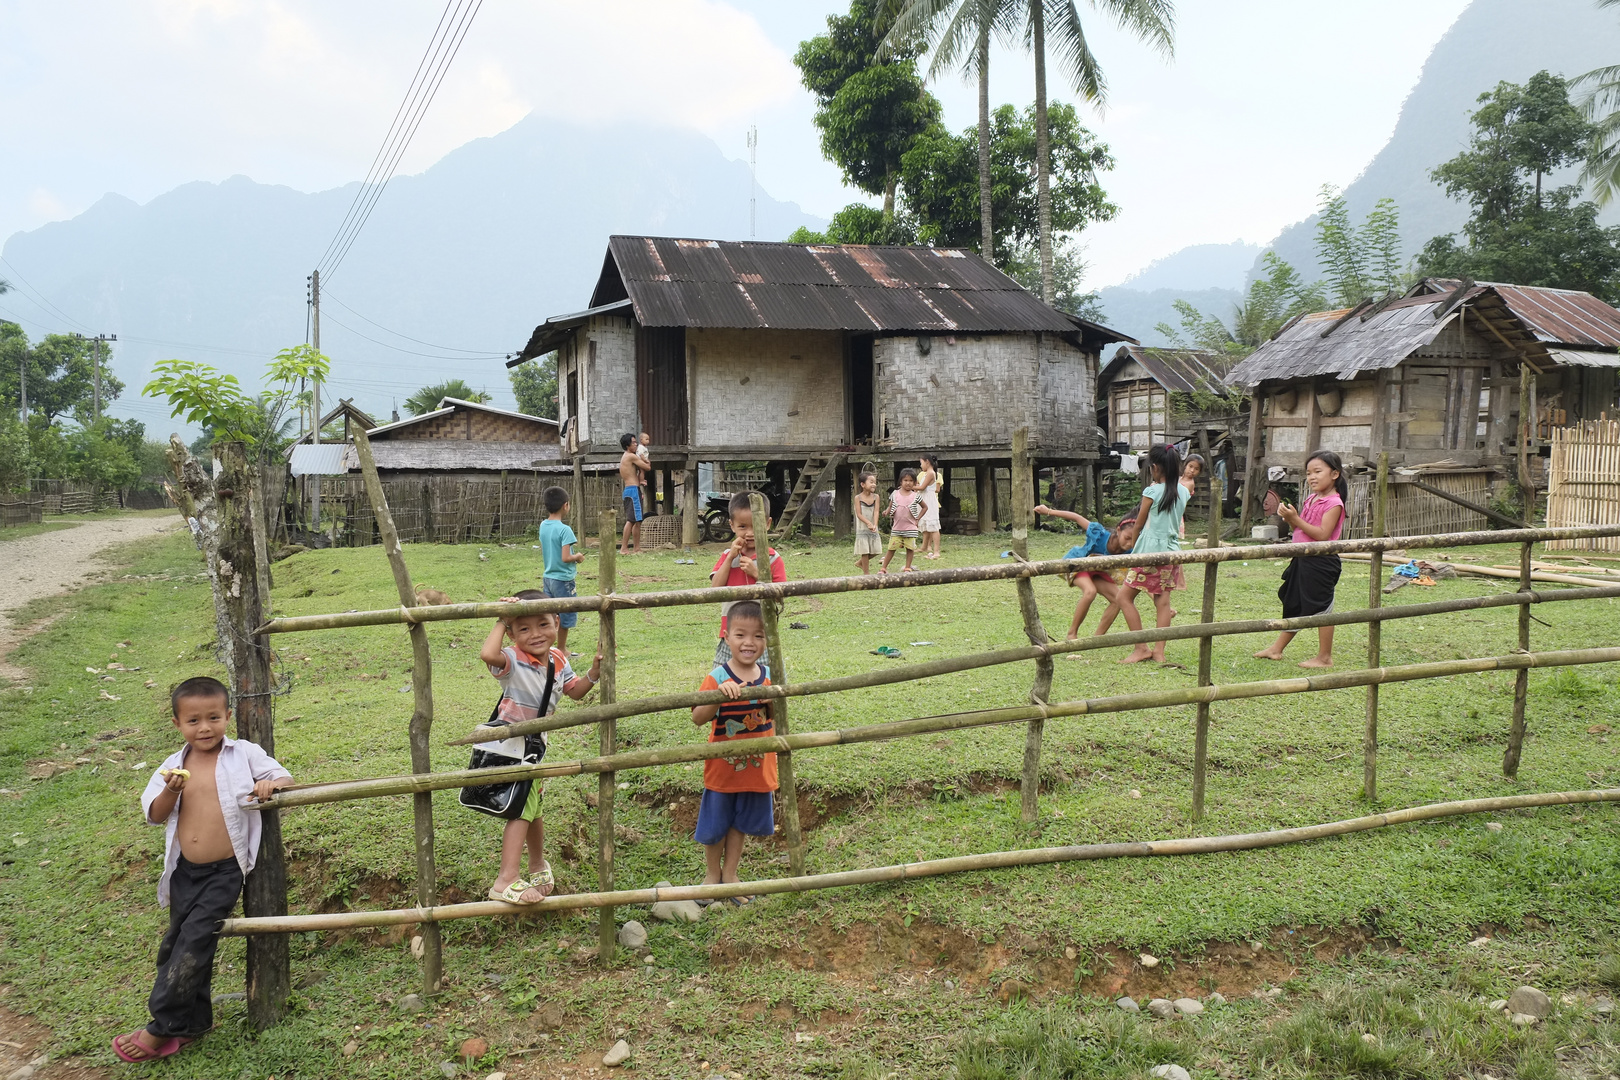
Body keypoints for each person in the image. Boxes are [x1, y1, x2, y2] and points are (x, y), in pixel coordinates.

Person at [115, 677, 293, 1063]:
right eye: (193, 720)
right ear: (178, 724)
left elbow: (283, 776)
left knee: (194, 942)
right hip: (183, 873)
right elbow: (155, 815)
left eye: (214, 717)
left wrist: (270, 786)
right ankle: (192, 1024)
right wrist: (172, 790)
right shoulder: (172, 767)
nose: (205, 727)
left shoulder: (243, 753)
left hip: (225, 872)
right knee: (174, 947)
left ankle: (160, 1028)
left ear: (228, 716)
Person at [479, 590, 602, 904]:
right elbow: (487, 655)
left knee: (534, 806)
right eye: (523, 628)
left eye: (543, 624)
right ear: (511, 633)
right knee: (521, 808)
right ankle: (505, 879)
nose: (535, 634)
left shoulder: (559, 658)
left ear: (556, 621)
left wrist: (594, 674)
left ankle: (536, 863)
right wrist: (501, 619)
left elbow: (573, 691)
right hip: (511, 745)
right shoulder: (512, 659)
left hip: (536, 747)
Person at [690, 600, 776, 904]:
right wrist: (717, 697)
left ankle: (731, 874)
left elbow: (777, 715)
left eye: (758, 636)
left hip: (756, 767)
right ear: (727, 637)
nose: (749, 643)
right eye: (741, 635)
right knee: (716, 824)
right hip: (723, 769)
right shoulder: (718, 677)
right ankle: (712, 876)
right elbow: (698, 717)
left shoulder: (769, 676)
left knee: (741, 823)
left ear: (768, 640)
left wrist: (770, 697)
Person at [1254, 450, 1347, 668]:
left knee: (1322, 608)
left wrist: (1295, 518)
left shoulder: (1334, 503)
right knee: (1295, 603)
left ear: (1334, 474)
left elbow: (1323, 534)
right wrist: (1290, 519)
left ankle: (1325, 657)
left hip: (1321, 562)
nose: (1312, 477)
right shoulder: (1312, 499)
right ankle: (1276, 649)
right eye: (1309, 473)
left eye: (1318, 471)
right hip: (1302, 558)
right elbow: (1301, 529)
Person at [1107, 443, 1190, 664]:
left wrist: (1134, 552)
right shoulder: (1184, 491)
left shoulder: (1151, 492)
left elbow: (1138, 525)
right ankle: (1159, 652)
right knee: (1162, 602)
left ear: (1155, 468)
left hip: (1149, 552)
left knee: (1124, 597)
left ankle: (1141, 647)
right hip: (1172, 552)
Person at [1033, 504, 1138, 639]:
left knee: (1119, 599)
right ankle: (1072, 633)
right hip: (1078, 564)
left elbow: (1142, 575)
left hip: (1097, 571)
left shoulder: (1131, 551)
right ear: (1118, 530)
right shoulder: (1100, 534)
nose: (1129, 543)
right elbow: (1077, 517)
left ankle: (1097, 638)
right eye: (1127, 538)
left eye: (1134, 540)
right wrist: (1048, 511)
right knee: (1090, 592)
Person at [709, 491, 785, 666]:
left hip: (763, 633)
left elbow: (780, 596)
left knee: (768, 679)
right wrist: (729, 559)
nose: (749, 533)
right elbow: (715, 589)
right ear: (732, 525)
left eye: (755, 526)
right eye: (742, 527)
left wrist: (758, 574)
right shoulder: (728, 556)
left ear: (767, 524)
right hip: (731, 633)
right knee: (724, 678)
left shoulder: (773, 558)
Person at [538, 486, 586, 654]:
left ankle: (549, 649)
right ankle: (562, 649)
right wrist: (578, 556)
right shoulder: (565, 530)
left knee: (551, 614)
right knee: (565, 615)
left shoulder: (543, 525)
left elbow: (546, 550)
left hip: (548, 577)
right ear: (566, 505)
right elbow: (566, 557)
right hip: (563, 579)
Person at [880, 468, 923, 574]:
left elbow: (925, 507)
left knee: (910, 548)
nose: (908, 483)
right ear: (901, 481)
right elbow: (891, 506)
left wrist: (918, 518)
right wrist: (886, 511)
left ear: (915, 483)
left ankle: (907, 567)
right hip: (897, 527)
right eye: (905, 480)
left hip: (910, 527)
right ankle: (883, 568)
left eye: (911, 481)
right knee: (891, 548)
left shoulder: (915, 496)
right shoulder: (895, 494)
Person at [618, 433, 652, 555]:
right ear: (628, 445)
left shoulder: (625, 456)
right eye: (633, 442)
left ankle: (636, 548)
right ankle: (625, 548)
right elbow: (647, 467)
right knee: (632, 520)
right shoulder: (631, 456)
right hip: (633, 490)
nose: (636, 444)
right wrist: (647, 460)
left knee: (637, 520)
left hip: (630, 490)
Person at [853, 470, 882, 574]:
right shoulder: (858, 498)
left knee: (876, 550)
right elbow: (859, 514)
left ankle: (860, 563)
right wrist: (868, 523)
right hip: (863, 527)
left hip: (873, 527)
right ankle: (866, 574)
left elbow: (876, 511)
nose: (874, 484)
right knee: (864, 551)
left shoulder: (876, 497)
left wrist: (874, 524)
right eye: (871, 482)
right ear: (863, 484)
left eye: (874, 482)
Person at [917, 454, 943, 560]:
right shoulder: (925, 473)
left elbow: (922, 487)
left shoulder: (931, 473)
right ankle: (924, 547)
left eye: (921, 463)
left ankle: (936, 551)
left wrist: (908, 487)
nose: (920, 465)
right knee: (926, 523)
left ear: (927, 462)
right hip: (924, 500)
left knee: (933, 526)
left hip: (929, 501)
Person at [1178, 454, 1205, 541]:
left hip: (1176, 512)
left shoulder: (1190, 484)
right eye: (1190, 466)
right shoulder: (1177, 478)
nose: (1192, 470)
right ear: (1185, 465)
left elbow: (1179, 498)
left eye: (1196, 469)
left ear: (1199, 472)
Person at [637, 431, 653, 518]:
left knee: (643, 471)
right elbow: (641, 455)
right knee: (642, 471)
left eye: (648, 439)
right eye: (646, 439)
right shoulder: (640, 447)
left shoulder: (644, 447)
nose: (648, 441)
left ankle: (642, 480)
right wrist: (646, 461)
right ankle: (641, 480)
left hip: (643, 461)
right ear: (641, 440)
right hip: (641, 461)